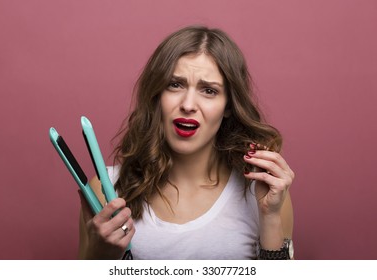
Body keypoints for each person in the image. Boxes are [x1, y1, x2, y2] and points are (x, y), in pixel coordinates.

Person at [78, 25, 295, 260]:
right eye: (175, 84)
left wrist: (270, 216)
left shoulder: (263, 194)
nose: (188, 104)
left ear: (229, 107)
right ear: (157, 96)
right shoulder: (106, 189)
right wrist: (98, 256)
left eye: (209, 91)